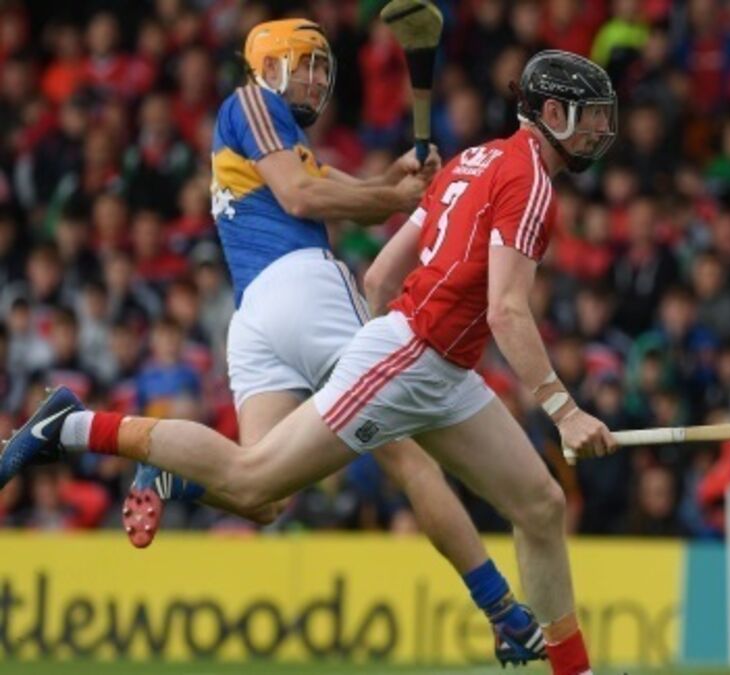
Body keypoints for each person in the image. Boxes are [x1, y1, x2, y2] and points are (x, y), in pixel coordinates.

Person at [1, 49, 618, 675]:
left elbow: (380, 276)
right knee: (253, 480)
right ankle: (70, 426)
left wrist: (390, 354)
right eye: (592, 116)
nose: (601, 130)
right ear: (551, 114)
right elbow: (506, 312)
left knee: (541, 504)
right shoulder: (532, 183)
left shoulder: (472, 160)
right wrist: (564, 412)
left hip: (440, 370)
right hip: (410, 356)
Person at [131, 18, 545, 666]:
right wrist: (396, 194)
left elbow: (348, 192)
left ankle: (171, 473)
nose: (318, 78)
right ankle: (503, 610)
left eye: (324, 68)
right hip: (305, 290)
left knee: (264, 493)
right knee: (409, 458)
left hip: (256, 317)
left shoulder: (284, 144)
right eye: (306, 64)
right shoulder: (251, 103)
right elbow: (304, 198)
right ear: (269, 65)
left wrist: (399, 185)